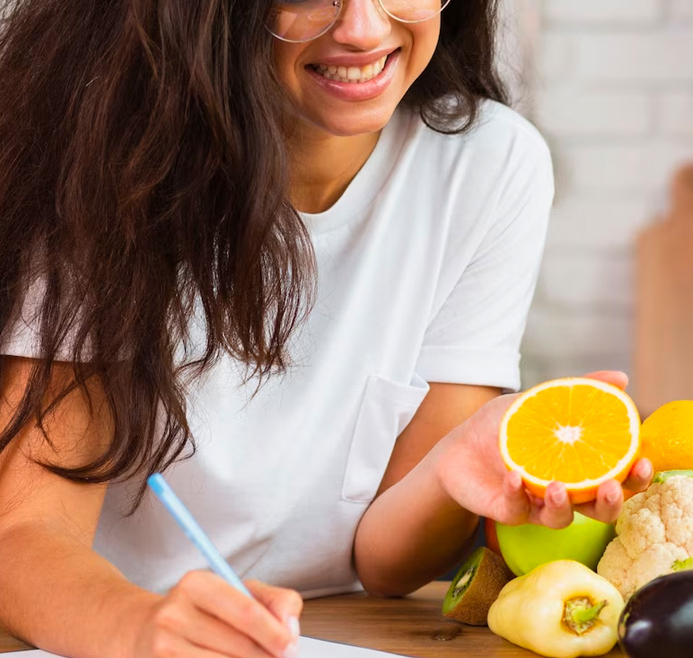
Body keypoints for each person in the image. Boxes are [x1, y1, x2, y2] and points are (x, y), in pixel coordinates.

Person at [0, 1, 653, 657]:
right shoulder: (108, 164)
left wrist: (455, 465)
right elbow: (22, 535)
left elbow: (384, 564)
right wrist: (137, 628)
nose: (364, 29)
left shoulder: (488, 164)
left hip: (330, 630)